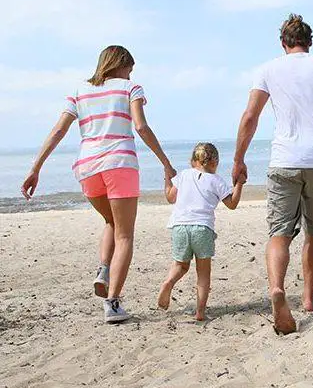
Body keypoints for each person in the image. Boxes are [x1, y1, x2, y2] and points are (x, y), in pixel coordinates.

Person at [21, 45, 175, 323]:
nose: (130, 74)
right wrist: (165, 162)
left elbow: (58, 130)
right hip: (120, 165)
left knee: (111, 222)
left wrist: (35, 169)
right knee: (125, 235)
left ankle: (104, 269)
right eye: (129, 68)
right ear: (121, 64)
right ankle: (113, 304)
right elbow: (140, 127)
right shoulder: (131, 88)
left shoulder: (79, 91)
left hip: (88, 168)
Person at [232, 14, 313, 334]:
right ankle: (308, 298)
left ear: (283, 44)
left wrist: (239, 158)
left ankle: (277, 289)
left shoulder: (268, 69)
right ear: (310, 42)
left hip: (284, 160)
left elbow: (250, 116)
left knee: (279, 233)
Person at [157, 143, 244, 321]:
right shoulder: (216, 180)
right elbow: (232, 204)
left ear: (193, 161)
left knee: (180, 266)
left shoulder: (183, 175)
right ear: (215, 162)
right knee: (203, 274)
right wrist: (239, 183)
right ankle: (200, 312)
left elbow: (170, 197)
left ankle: (168, 282)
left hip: (180, 227)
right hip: (202, 228)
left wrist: (167, 179)